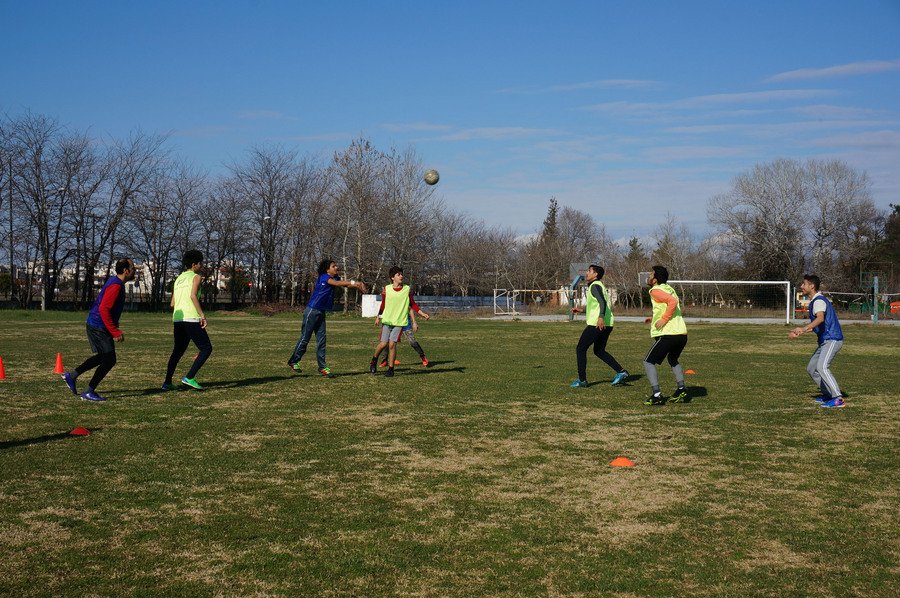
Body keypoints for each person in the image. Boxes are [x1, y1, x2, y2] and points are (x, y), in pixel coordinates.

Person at [61, 258, 136, 401]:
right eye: (132, 268)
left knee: (103, 356)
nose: (134, 271)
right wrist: (114, 331)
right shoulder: (116, 286)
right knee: (109, 359)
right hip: (98, 326)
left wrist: (114, 324)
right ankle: (88, 391)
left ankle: (72, 376)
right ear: (126, 270)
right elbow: (104, 308)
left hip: (96, 324)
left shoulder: (116, 282)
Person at [287, 259, 367, 377]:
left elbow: (346, 283)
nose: (336, 268)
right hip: (312, 311)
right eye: (334, 266)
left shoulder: (334, 278)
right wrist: (357, 284)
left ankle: (322, 367)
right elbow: (338, 284)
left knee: (322, 340)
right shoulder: (324, 277)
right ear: (327, 269)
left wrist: (357, 284)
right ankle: (294, 361)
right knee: (305, 337)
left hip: (321, 312)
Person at [789, 274, 845, 408]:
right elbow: (819, 324)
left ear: (811, 286)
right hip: (825, 340)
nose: (801, 286)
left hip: (832, 339)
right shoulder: (815, 301)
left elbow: (820, 318)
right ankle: (828, 394)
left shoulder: (819, 301)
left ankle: (838, 398)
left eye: (804, 284)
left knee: (822, 367)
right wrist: (801, 331)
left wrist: (804, 328)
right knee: (812, 368)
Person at [569, 264, 628, 388]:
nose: (586, 273)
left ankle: (582, 380)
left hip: (597, 323)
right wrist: (582, 311)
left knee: (580, 349)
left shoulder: (595, 286)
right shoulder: (598, 286)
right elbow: (597, 306)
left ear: (595, 274)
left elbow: (602, 302)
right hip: (607, 323)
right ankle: (621, 372)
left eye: (589, 271)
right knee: (599, 351)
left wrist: (600, 317)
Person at [162, 250, 212, 391]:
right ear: (194, 264)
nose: (201, 265)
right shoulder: (196, 277)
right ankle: (189, 377)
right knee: (206, 348)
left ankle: (167, 382)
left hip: (178, 319)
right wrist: (202, 315)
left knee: (177, 351)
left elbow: (172, 303)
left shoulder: (178, 279)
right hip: (191, 317)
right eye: (200, 263)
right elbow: (193, 296)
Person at [369, 266, 429, 377]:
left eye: (401, 274)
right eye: (398, 274)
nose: (401, 276)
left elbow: (413, 304)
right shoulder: (386, 289)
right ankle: (374, 360)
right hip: (387, 321)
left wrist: (422, 313)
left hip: (399, 322)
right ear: (392, 277)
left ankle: (391, 369)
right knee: (383, 344)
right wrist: (378, 316)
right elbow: (383, 304)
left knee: (392, 344)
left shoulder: (407, 289)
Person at [643, 265, 688, 405]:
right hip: (681, 334)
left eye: (651, 274)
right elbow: (670, 305)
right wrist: (655, 318)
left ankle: (656, 395)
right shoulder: (669, 289)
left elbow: (672, 302)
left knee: (648, 362)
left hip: (669, 334)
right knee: (673, 359)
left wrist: (663, 319)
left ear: (655, 279)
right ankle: (681, 389)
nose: (648, 276)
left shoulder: (655, 290)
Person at [379, 297, 431, 368]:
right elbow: (384, 306)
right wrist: (378, 317)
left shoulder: (404, 295)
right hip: (393, 322)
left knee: (412, 341)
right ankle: (384, 360)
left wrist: (414, 322)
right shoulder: (391, 295)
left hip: (405, 322)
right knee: (387, 342)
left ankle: (422, 357)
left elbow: (410, 308)